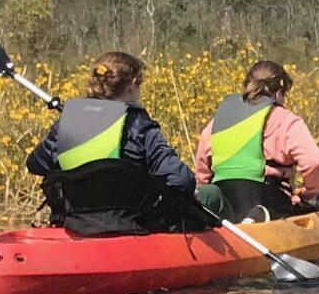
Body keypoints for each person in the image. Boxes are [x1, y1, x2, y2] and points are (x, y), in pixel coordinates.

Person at [25, 51, 199, 236]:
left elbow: (35, 164)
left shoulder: (66, 123)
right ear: (132, 85)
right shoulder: (138, 125)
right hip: (133, 227)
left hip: (75, 226)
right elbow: (182, 180)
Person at [193, 60, 319, 221]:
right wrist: (307, 195)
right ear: (279, 93)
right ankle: (256, 218)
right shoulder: (285, 120)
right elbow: (314, 162)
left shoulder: (217, 122)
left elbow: (202, 175)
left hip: (226, 206)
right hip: (271, 203)